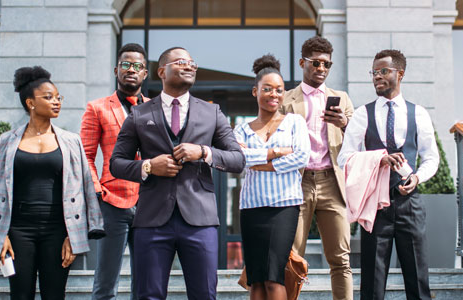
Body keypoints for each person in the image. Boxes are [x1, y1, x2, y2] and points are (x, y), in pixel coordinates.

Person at [109, 47, 245, 299]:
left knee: (204, 294)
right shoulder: (139, 114)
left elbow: (237, 160)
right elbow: (116, 163)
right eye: (181, 62)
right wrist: (148, 166)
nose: (189, 66)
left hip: (200, 221)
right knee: (147, 295)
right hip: (151, 221)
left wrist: (204, 151)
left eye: (192, 63)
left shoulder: (211, 112)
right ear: (162, 71)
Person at [0, 66, 105, 300]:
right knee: (20, 295)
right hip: (17, 231)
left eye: (58, 97)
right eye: (49, 97)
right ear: (30, 102)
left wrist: (74, 236)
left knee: (54, 295)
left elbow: (85, 188)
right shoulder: (6, 142)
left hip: (58, 230)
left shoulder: (71, 141)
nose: (56, 102)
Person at [337, 49, 440, 300]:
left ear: (400, 73)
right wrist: (378, 159)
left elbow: (431, 157)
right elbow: (344, 158)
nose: (376, 77)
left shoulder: (419, 113)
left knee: (418, 280)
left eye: (383, 71)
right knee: (372, 283)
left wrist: (417, 178)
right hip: (375, 205)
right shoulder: (363, 113)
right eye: (374, 72)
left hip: (410, 204)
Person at [279, 36, 354, 300]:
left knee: (341, 258)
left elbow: (359, 140)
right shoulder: (286, 100)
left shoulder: (341, 99)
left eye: (327, 64)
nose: (321, 68)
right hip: (297, 183)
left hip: (332, 183)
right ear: (303, 62)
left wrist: (344, 123)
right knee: (292, 256)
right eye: (316, 63)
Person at [234, 55, 309, 300]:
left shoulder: (295, 122)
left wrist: (264, 164)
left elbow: (301, 157)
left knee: (274, 276)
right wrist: (277, 153)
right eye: (267, 89)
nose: (273, 94)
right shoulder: (241, 129)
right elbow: (240, 159)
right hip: (251, 208)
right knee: (255, 279)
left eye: (279, 90)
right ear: (255, 91)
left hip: (284, 207)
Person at [81, 43, 149, 300]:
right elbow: (85, 155)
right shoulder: (97, 108)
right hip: (113, 201)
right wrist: (98, 191)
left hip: (150, 203)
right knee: (106, 283)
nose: (131, 70)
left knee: (145, 282)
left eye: (138, 66)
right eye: (126, 65)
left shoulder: (156, 108)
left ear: (145, 73)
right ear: (116, 70)